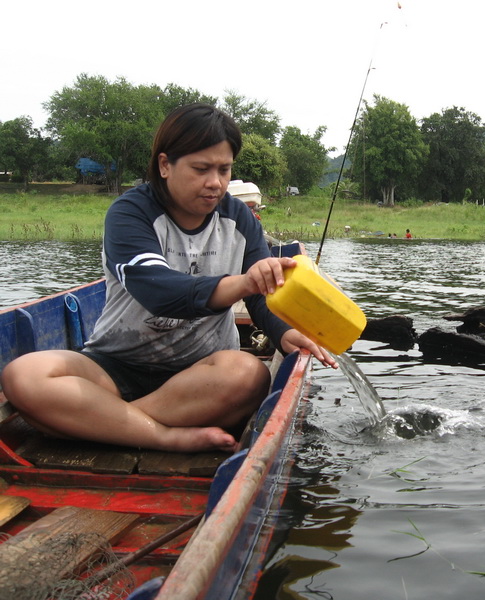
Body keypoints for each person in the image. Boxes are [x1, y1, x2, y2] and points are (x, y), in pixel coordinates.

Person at [0, 103, 336, 454]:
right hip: (115, 365)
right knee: (23, 375)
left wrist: (284, 332)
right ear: (165, 165)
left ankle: (99, 423)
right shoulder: (131, 214)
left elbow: (263, 297)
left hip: (202, 375)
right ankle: (162, 435)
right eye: (201, 169)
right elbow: (158, 290)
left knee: (248, 374)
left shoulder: (240, 220)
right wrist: (244, 282)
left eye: (224, 169)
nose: (215, 182)